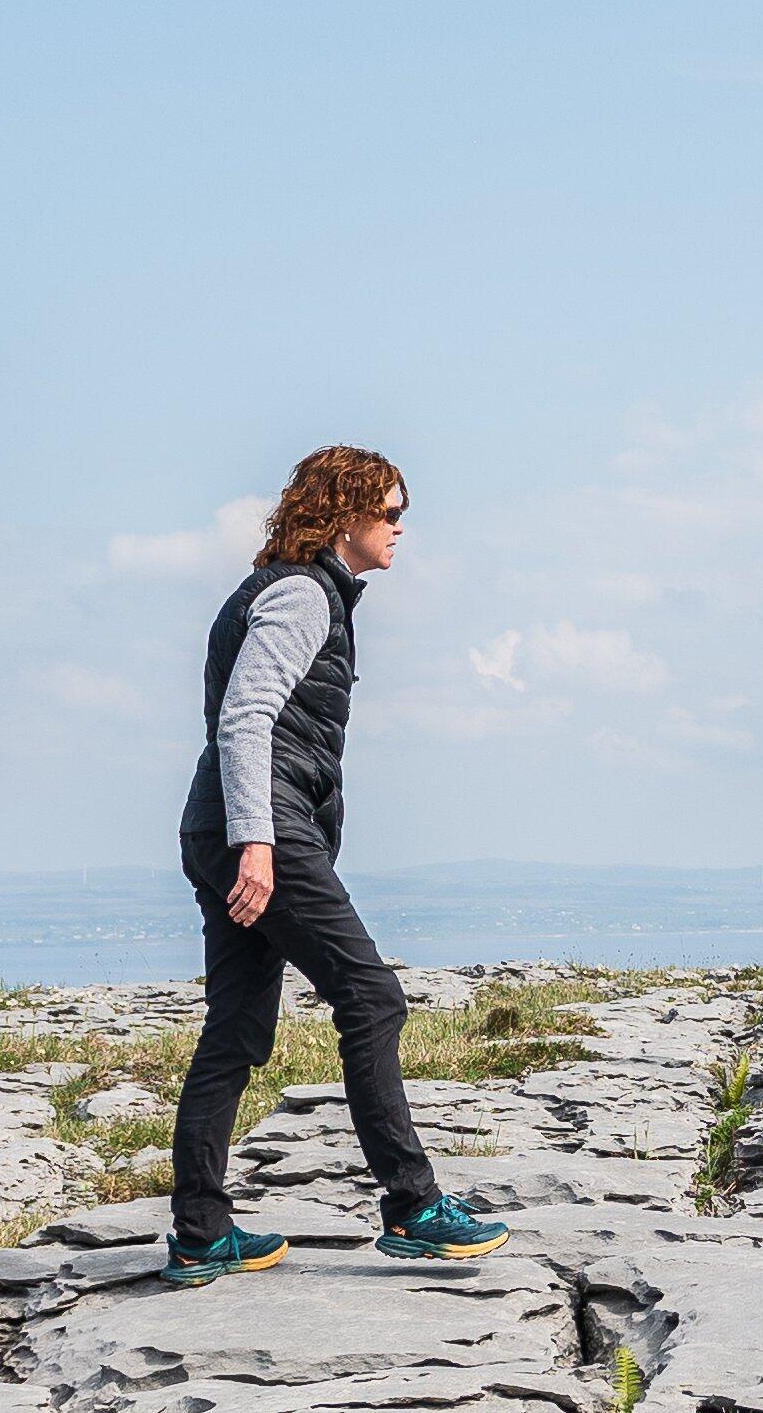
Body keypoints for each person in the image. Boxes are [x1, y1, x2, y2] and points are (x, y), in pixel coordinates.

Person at [169, 448, 509, 1275]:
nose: (400, 529)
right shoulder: (301, 594)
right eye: (390, 513)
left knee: (237, 1030)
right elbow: (246, 718)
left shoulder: (297, 590)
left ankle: (201, 1234)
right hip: (258, 831)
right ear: (346, 513)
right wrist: (261, 843)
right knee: (372, 996)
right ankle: (412, 1203)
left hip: (234, 827)